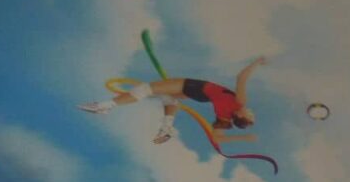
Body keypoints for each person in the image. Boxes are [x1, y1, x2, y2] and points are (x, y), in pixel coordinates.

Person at [78, 56, 268, 145]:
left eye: (251, 116)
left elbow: (241, 77)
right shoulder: (225, 120)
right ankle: (166, 129)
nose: (252, 112)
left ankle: (104, 106)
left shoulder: (240, 103)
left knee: (146, 89)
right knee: (168, 98)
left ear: (241, 114)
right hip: (201, 95)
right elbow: (218, 138)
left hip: (197, 88)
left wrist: (256, 63)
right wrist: (244, 137)